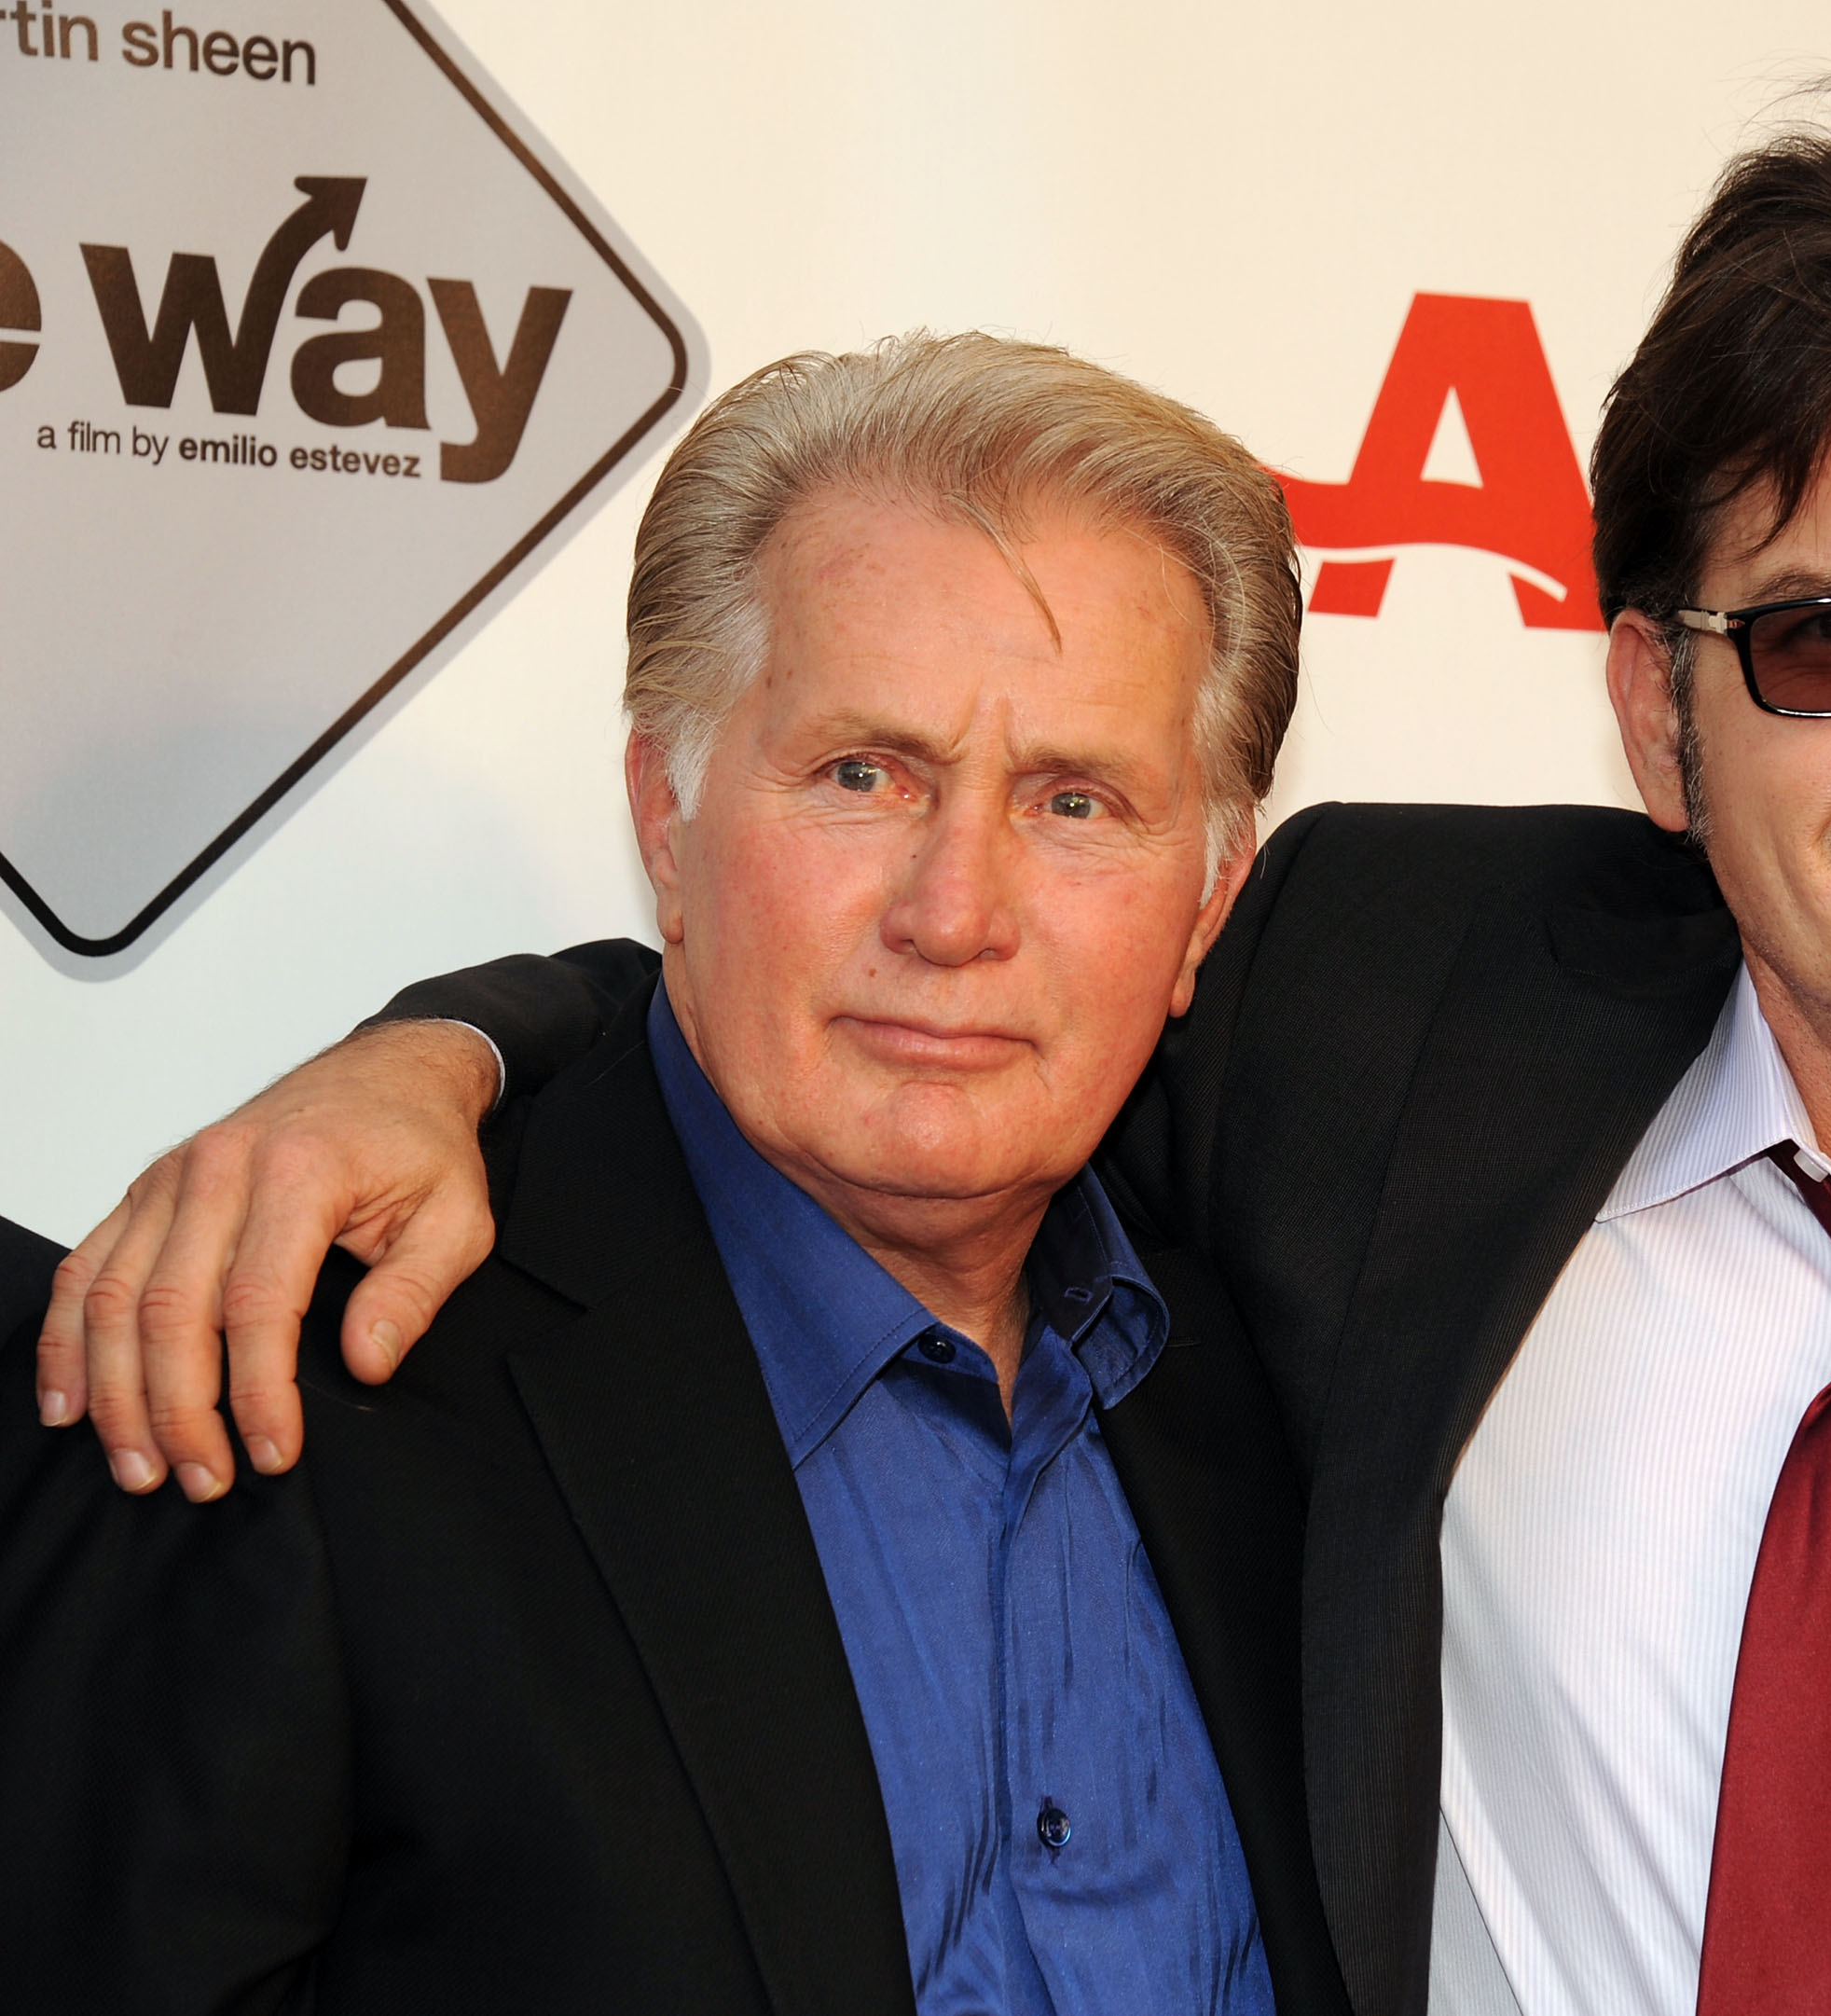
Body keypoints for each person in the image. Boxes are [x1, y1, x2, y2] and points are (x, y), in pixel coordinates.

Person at [29, 87, 1831, 2016]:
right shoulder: (1396, 1053)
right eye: (1830, 636)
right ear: (1653, 710)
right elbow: (869, 1049)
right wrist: (441, 1054)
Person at [0, 333, 1349, 2013]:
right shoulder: (294, 1394)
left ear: (1206, 904)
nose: (956, 912)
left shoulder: (1302, 1373)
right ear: (666, 812)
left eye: (1077, 802)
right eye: (865, 775)